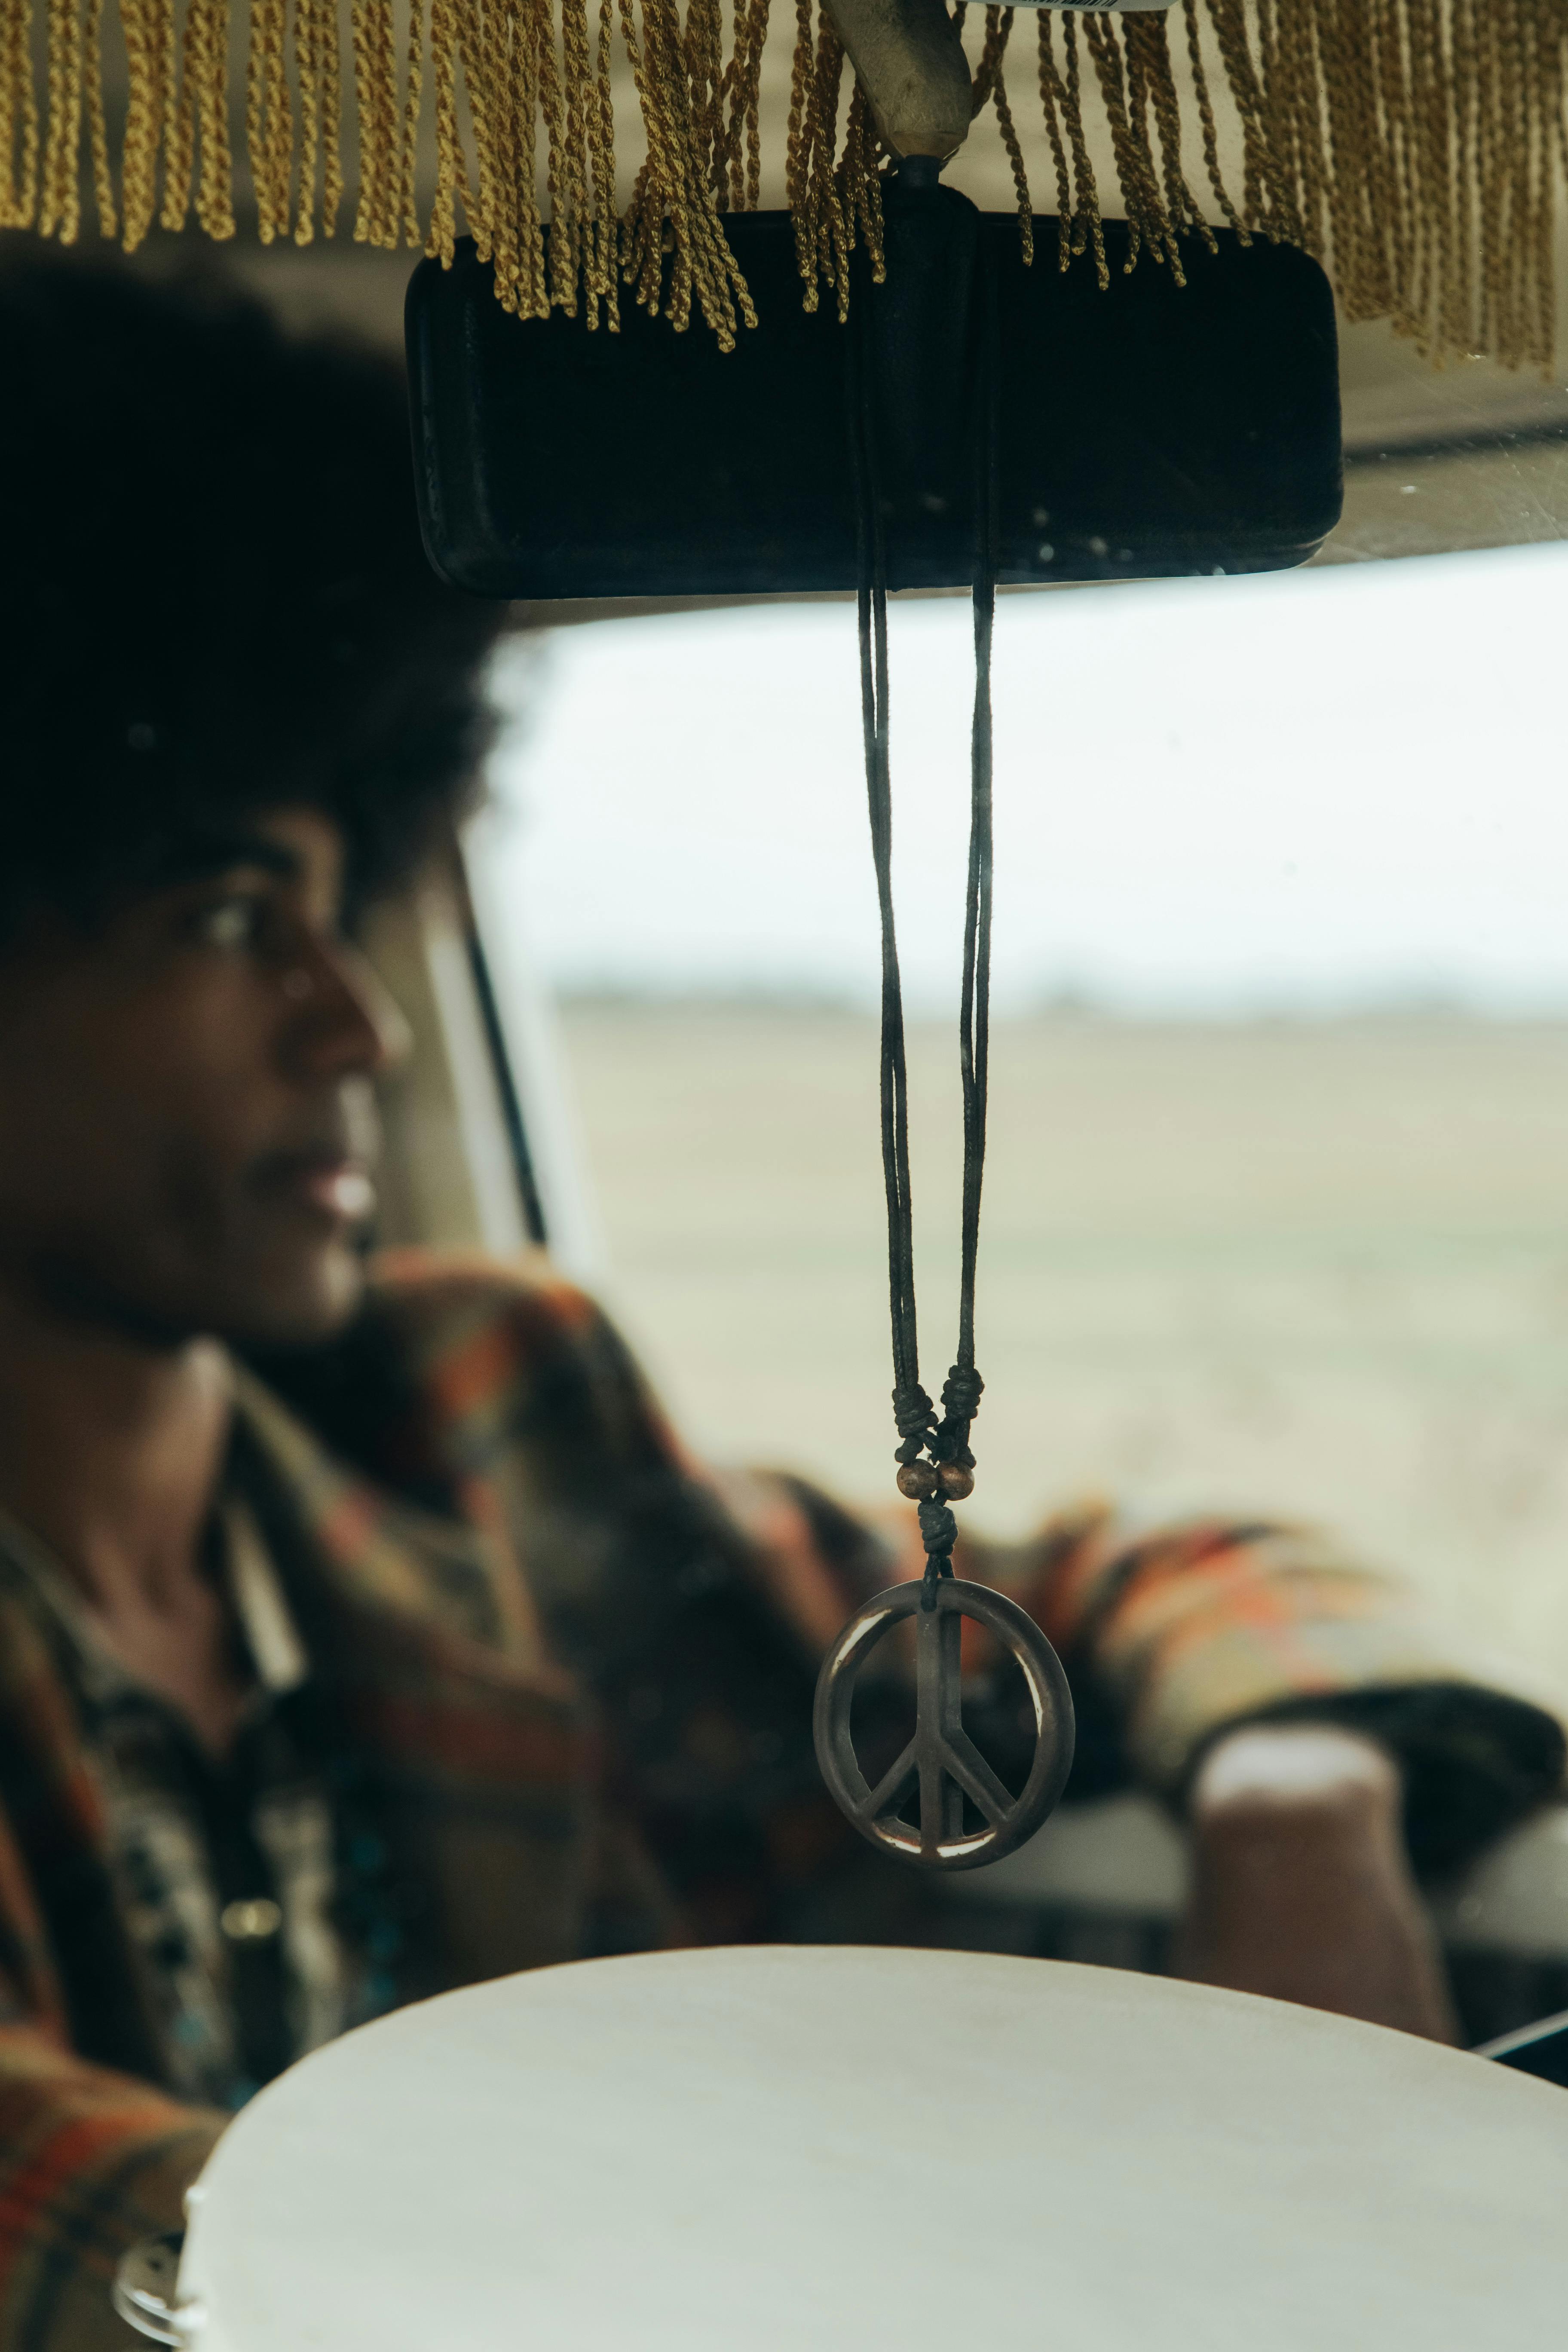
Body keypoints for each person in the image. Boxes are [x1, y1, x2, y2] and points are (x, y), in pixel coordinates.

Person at [0, 256, 1560, 2352]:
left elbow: (1113, 1580)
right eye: (218, 917)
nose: (352, 1019)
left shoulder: (476, 1401)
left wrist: (1297, 1779)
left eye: (329, 902)